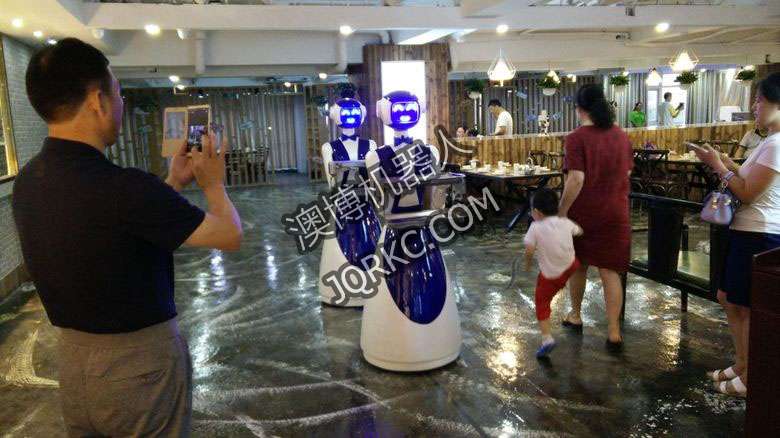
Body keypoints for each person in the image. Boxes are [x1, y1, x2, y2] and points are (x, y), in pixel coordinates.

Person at [13, 38, 243, 436]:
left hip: (73, 364)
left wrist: (172, 182)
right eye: (118, 93)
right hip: (138, 368)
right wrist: (213, 184)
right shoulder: (124, 187)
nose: (120, 104)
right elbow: (229, 234)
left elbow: (113, 226)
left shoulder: (28, 181)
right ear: (97, 101)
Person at [691, 72, 780, 398]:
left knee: (747, 307)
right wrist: (723, 160)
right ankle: (742, 363)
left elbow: (748, 192)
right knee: (728, 297)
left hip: (760, 233)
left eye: (760, 100)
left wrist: (719, 167)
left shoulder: (777, 145)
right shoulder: (768, 142)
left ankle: (751, 375)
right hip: (747, 231)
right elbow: (745, 176)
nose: (754, 105)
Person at [559, 83, 633, 352]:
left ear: (579, 108)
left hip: (585, 213)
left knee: (578, 265)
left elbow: (576, 178)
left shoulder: (576, 138)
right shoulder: (621, 136)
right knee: (610, 271)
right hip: (616, 212)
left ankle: (576, 315)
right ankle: (613, 331)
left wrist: (562, 211)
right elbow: (627, 173)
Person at [524, 188, 583, 358]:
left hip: (551, 275)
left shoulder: (535, 227)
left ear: (536, 212)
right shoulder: (565, 222)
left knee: (542, 302)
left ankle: (547, 339)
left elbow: (529, 251)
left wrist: (527, 264)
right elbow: (579, 230)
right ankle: (561, 284)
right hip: (571, 266)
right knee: (565, 273)